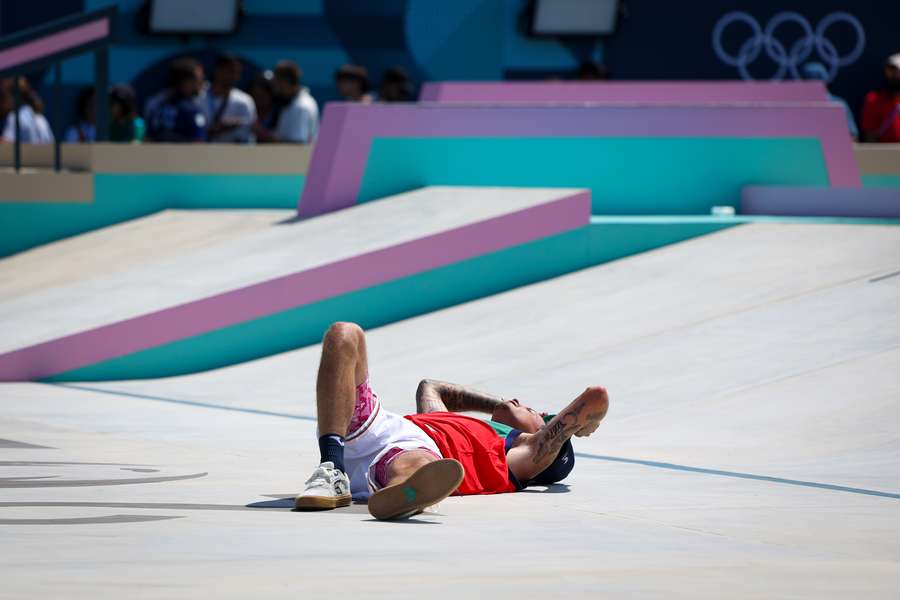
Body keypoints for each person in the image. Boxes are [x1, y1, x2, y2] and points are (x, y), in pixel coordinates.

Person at [295, 322, 609, 520]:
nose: (517, 401)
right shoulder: (446, 421)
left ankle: (404, 493)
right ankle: (332, 468)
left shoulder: (518, 455)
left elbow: (592, 401)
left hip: (410, 456)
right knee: (344, 334)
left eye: (529, 408)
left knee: (419, 463)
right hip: (380, 428)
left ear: (537, 428)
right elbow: (431, 386)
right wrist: (500, 405)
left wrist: (575, 420)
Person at [145, 57, 208, 142]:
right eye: (198, 79)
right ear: (184, 81)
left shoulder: (155, 105)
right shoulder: (191, 110)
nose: (201, 82)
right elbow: (198, 142)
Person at [255, 60, 318, 144]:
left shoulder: (301, 107)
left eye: (276, 80)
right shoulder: (288, 102)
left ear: (285, 81)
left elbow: (297, 145)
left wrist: (262, 135)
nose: (273, 84)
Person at [206, 53, 256, 144]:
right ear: (217, 70)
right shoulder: (199, 98)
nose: (235, 77)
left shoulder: (245, 101)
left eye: (237, 73)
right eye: (230, 71)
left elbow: (246, 134)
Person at [801, 62, 858, 140]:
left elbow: (852, 136)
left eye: (818, 83)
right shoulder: (798, 106)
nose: (815, 88)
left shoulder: (839, 105)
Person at [0, 77, 54, 144]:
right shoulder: (41, 119)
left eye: (2, 97)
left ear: (13, 97)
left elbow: (6, 144)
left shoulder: (14, 118)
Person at [861, 53, 900, 143]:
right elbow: (869, 135)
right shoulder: (873, 99)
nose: (896, 75)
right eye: (892, 70)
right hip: (883, 155)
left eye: (898, 71)